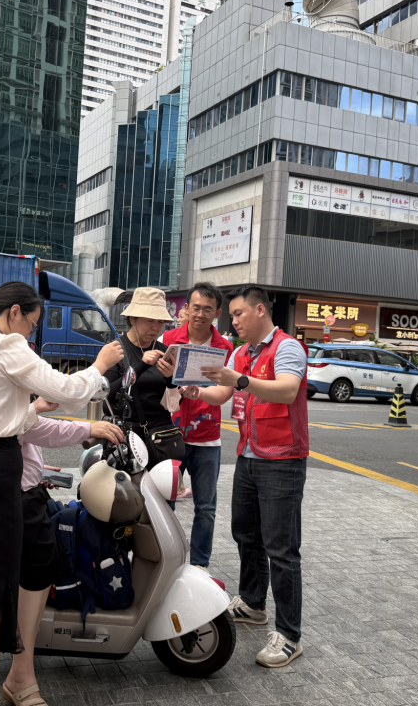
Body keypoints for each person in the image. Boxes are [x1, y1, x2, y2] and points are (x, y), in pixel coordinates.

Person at [0, 281, 124, 706]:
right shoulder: (6, 345)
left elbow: (4, 415)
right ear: (15, 312)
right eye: (32, 324)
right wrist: (99, 365)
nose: (31, 334)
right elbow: (68, 390)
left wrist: (33, 411)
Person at [184, 285, 309, 669]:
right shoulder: (241, 354)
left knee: (281, 549)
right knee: (246, 535)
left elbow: (287, 391)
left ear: (260, 311)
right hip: (249, 456)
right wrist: (195, 391)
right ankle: (254, 603)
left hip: (282, 460)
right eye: (232, 316)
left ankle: (289, 635)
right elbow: (222, 394)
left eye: (238, 314)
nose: (233, 321)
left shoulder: (287, 348)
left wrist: (239, 380)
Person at [3, 399, 125, 706]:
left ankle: (19, 672)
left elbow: (22, 428)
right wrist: (89, 426)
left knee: (44, 563)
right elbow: (31, 426)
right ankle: (20, 676)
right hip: (14, 496)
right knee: (40, 569)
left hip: (20, 489)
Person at [161, 282, 233, 574]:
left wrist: (199, 392)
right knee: (166, 502)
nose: (200, 314)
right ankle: (167, 558)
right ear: (186, 308)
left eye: (208, 309)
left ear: (217, 313)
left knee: (206, 507)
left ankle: (200, 564)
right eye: (196, 308)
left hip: (207, 438)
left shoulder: (225, 348)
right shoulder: (168, 340)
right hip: (169, 434)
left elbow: (224, 393)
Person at [103, 287, 179, 469]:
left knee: (162, 488)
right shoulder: (115, 350)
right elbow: (107, 395)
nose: (156, 327)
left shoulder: (165, 351)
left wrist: (171, 379)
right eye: (149, 320)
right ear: (132, 318)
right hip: (126, 441)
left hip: (160, 440)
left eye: (160, 321)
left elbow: (174, 405)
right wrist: (141, 366)